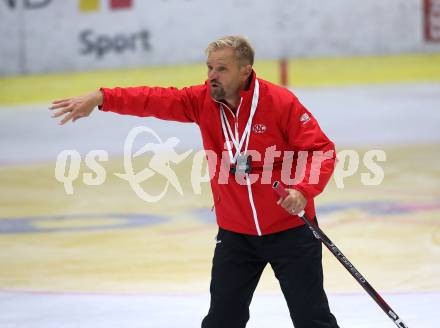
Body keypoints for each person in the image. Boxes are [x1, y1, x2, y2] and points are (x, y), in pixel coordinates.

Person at [50, 35, 339, 328]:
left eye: (222, 69)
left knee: (311, 319)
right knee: (221, 321)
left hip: (291, 231)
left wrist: (302, 190)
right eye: (209, 68)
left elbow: (321, 150)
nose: (212, 76)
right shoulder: (202, 101)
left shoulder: (279, 102)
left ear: (245, 71)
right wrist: (102, 98)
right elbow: (154, 99)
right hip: (237, 235)